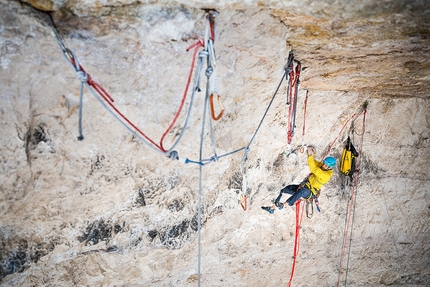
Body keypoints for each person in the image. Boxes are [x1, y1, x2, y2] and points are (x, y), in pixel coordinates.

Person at [261, 146, 336, 214]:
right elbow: (313, 162)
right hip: (304, 185)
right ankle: (272, 208)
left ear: (330, 167)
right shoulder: (322, 166)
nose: (323, 166)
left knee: (301, 191)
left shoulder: (327, 175)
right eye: (324, 163)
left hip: (309, 191)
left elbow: (313, 169)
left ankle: (284, 205)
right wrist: (312, 154)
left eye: (326, 165)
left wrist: (310, 155)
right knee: (284, 189)